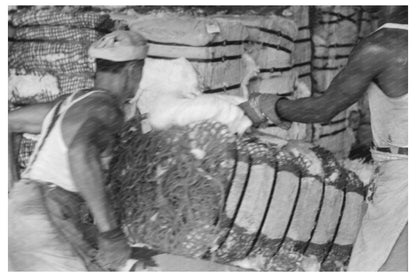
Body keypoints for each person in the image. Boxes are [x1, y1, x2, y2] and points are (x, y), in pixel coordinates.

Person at [242, 6, 407, 271]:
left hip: (404, 177)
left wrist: (269, 106)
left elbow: (325, 108)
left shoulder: (382, 46)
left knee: (381, 266)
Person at [8, 30, 148, 271]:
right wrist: (110, 233)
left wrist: (12, 188)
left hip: (21, 210)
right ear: (133, 70)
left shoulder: (72, 102)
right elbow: (80, 152)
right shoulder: (107, 109)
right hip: (47, 213)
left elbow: (8, 123)